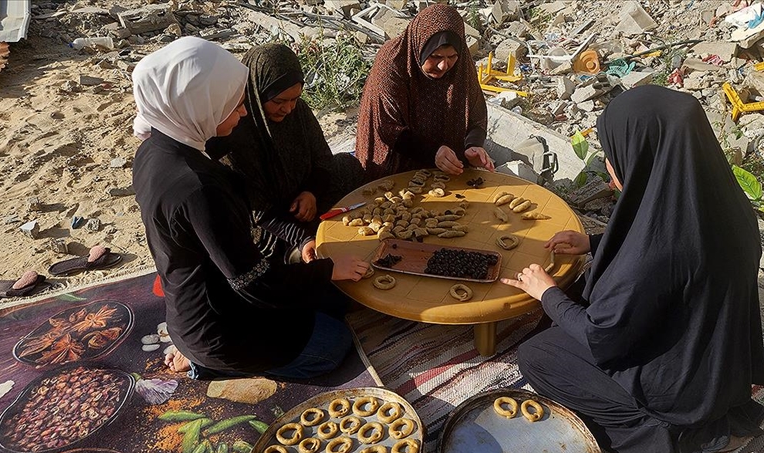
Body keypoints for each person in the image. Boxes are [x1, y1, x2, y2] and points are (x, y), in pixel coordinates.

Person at [501, 85, 764, 453]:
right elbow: (673, 257)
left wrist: (547, 293)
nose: (611, 172)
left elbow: (602, 336)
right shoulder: (719, 199)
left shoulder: (661, 250)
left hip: (680, 385)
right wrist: (593, 242)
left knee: (538, 356)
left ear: (642, 155)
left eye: (613, 157)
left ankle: (664, 435)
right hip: (718, 363)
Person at [131, 37, 369, 381]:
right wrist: (327, 269)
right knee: (333, 344)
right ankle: (205, 363)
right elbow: (254, 283)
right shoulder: (199, 187)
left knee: (335, 301)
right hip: (218, 326)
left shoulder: (155, 149)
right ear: (201, 104)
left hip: (205, 298)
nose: (244, 113)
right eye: (234, 105)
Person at [207, 44, 364, 263]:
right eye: (279, 101)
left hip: (304, 201)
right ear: (257, 93)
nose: (288, 108)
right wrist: (300, 237)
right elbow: (257, 211)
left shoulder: (298, 111)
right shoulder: (236, 131)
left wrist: (311, 192)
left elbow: (322, 158)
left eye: (295, 99)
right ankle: (299, 245)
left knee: (347, 166)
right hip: (271, 219)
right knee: (274, 248)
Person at [354, 4, 494, 180]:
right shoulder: (392, 61)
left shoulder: (462, 64)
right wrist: (432, 153)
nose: (444, 66)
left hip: (448, 164)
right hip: (398, 159)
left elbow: (476, 115)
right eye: (435, 57)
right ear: (420, 46)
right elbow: (387, 127)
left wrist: (472, 146)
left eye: (451, 57)